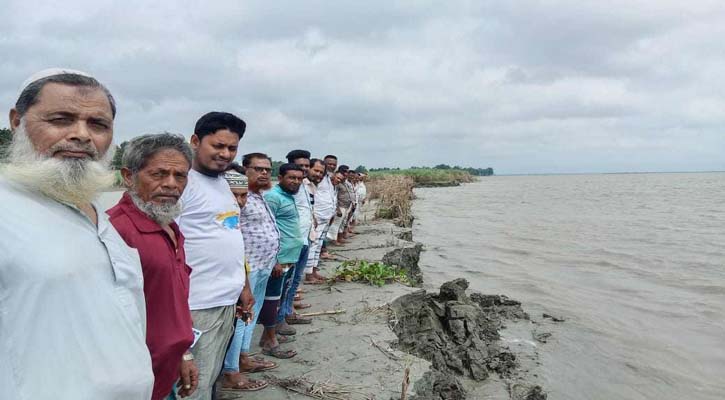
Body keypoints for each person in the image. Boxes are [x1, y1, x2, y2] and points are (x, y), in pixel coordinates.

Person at [0, 68, 154, 399]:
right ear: (17, 121)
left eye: (97, 125)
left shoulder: (96, 211)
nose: (81, 135)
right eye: (61, 119)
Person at [108, 133, 198, 399]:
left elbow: (172, 301)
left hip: (167, 367)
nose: (171, 184)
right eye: (158, 174)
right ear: (128, 176)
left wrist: (184, 353)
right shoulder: (116, 231)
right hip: (136, 379)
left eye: (179, 176)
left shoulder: (169, 226)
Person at [176, 112, 254, 400]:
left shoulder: (223, 182)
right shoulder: (182, 184)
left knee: (209, 377)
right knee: (191, 384)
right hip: (196, 306)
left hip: (225, 302)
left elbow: (231, 235)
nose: (225, 154)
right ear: (195, 141)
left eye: (231, 148)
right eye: (218, 146)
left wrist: (242, 285)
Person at [220, 153, 279, 392]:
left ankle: (243, 357)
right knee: (242, 318)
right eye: (258, 169)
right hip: (247, 268)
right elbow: (231, 234)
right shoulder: (232, 197)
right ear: (245, 170)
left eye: (267, 169)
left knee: (250, 316)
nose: (264, 173)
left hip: (263, 264)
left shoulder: (255, 195)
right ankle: (231, 369)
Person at [259, 163, 305, 358]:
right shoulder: (273, 197)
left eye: (299, 178)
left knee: (278, 298)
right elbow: (266, 229)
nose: (296, 182)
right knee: (271, 300)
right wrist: (275, 259)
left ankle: (268, 336)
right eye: (291, 178)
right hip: (279, 259)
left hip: (290, 257)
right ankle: (270, 341)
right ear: (281, 177)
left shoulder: (287, 196)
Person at [277, 150, 315, 329]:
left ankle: (288, 311)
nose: (305, 170)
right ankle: (281, 317)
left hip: (304, 239)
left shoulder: (304, 185)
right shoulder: (285, 190)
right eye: (301, 166)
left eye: (307, 166)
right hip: (291, 242)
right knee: (286, 282)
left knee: (295, 279)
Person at [303, 158, 332, 283]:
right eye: (316, 170)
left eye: (321, 172)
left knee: (317, 246)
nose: (318, 174)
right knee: (313, 246)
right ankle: (309, 274)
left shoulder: (314, 184)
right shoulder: (303, 184)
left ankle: (313, 271)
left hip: (321, 218)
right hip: (315, 220)